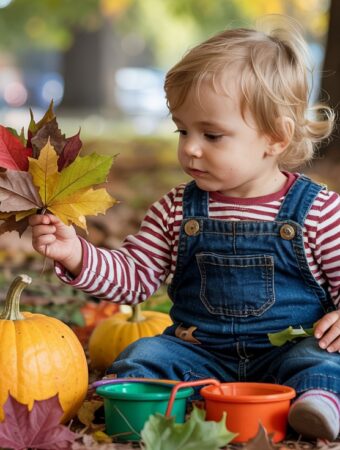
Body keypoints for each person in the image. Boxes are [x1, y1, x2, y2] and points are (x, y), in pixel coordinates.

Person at [30, 16, 340, 441]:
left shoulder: (318, 212)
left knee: (323, 359)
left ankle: (316, 403)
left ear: (275, 138)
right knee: (145, 352)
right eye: (182, 130)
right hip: (199, 353)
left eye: (212, 135)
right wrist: (76, 254)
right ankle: (153, 406)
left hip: (288, 353)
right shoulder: (178, 209)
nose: (190, 148)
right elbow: (135, 278)